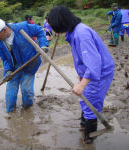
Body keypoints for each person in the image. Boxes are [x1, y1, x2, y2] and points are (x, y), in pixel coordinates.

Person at [47, 6, 115, 144]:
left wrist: (83, 83)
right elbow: (84, 58)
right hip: (92, 72)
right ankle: (85, 125)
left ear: (61, 22)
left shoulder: (81, 34)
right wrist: (81, 75)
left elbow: (94, 62)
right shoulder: (74, 31)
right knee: (86, 100)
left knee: (91, 103)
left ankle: (89, 137)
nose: (53, 29)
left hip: (99, 73)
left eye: (53, 25)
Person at [0, 18, 48, 113]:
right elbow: (5, 59)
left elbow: (39, 30)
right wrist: (8, 70)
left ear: (4, 30)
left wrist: (43, 45)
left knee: (26, 90)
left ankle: (28, 112)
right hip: (14, 67)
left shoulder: (22, 27)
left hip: (29, 63)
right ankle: (10, 113)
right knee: (10, 93)